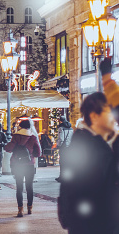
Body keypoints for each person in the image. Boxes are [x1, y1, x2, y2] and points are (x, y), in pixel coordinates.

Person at [58, 92, 118, 234]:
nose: (114, 117)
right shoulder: (89, 148)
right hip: (95, 226)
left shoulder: (94, 144)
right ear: (94, 116)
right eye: (109, 112)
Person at [4, 119, 41, 217]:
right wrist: (32, 154)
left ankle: (20, 210)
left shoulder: (16, 136)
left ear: (20, 126)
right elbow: (39, 152)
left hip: (18, 165)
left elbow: (8, 148)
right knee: (29, 187)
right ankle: (30, 208)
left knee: (19, 187)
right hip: (29, 165)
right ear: (30, 126)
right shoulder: (33, 137)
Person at [55, 115, 73, 182]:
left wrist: (58, 145)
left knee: (62, 162)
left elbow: (61, 139)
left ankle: (62, 176)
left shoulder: (61, 128)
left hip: (63, 147)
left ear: (60, 120)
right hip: (69, 147)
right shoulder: (71, 128)